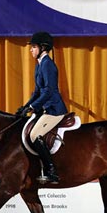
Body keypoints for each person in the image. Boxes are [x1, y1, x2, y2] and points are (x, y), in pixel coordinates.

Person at [15, 31, 68, 184]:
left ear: (43, 48)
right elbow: (37, 91)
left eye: (33, 47)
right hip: (44, 108)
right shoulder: (39, 65)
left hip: (54, 109)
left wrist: (33, 106)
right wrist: (26, 107)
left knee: (34, 135)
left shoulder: (48, 65)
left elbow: (49, 91)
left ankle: (51, 170)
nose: (31, 50)